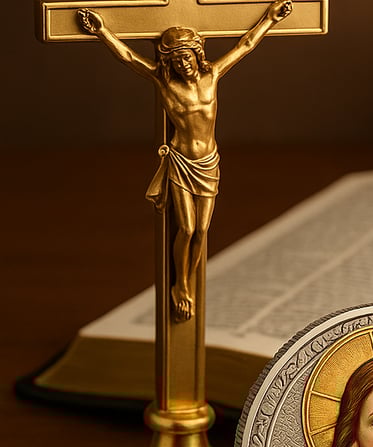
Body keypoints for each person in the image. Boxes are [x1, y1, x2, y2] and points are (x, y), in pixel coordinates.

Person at [78, 1, 293, 322]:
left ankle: (188, 282)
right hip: (181, 162)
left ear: (197, 55)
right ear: (170, 63)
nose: (183, 64)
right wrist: (102, 32)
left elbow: (245, 45)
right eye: (177, 60)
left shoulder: (212, 75)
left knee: (202, 230)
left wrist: (270, 19)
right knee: (187, 228)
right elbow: (128, 57)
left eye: (187, 57)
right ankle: (181, 285)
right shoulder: (164, 82)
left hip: (208, 161)